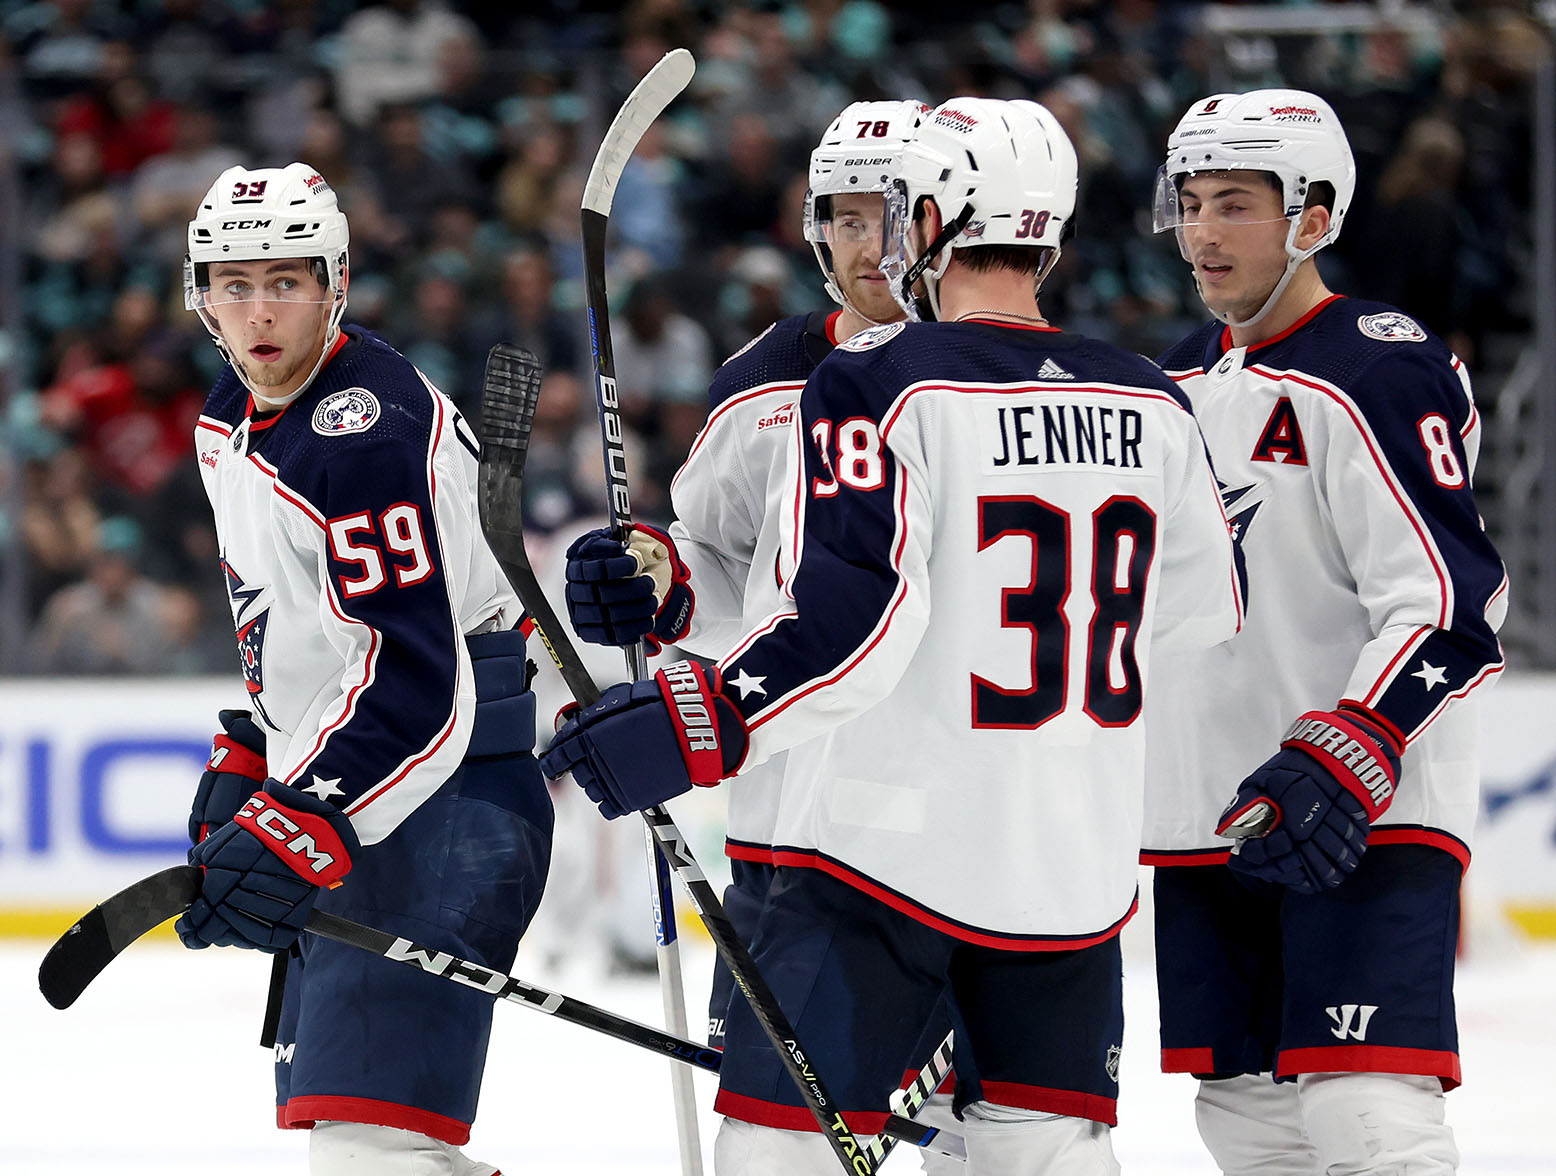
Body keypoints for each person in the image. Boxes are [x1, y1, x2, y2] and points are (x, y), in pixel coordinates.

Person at [543, 97, 1245, 1175]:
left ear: (929, 216)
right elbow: (1195, 607)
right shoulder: (1148, 395)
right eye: (847, 215)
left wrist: (702, 717)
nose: (872, 241)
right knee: (1044, 1158)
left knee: (784, 1157)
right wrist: (659, 577)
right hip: (1063, 863)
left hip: (868, 853)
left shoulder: (877, 385)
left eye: (892, 210)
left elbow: (853, 619)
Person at [1142, 90, 1508, 1176]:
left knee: (1366, 1119)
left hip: (1357, 812)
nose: (1201, 233)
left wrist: (1354, 744)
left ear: (1310, 214)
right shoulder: (1167, 379)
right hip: (1213, 812)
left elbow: (1450, 601)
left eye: (1234, 205)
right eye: (1190, 202)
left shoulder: (1374, 364)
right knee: (1246, 1122)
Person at [174, 162, 552, 1176]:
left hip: (445, 800)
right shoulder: (230, 408)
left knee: (367, 1154)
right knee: (366, 1151)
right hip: (361, 786)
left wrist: (310, 807)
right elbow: (298, 619)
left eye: (286, 283)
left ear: (335, 283)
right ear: (197, 289)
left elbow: (418, 681)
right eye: (235, 283)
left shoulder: (368, 434)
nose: (259, 312)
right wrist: (261, 752)